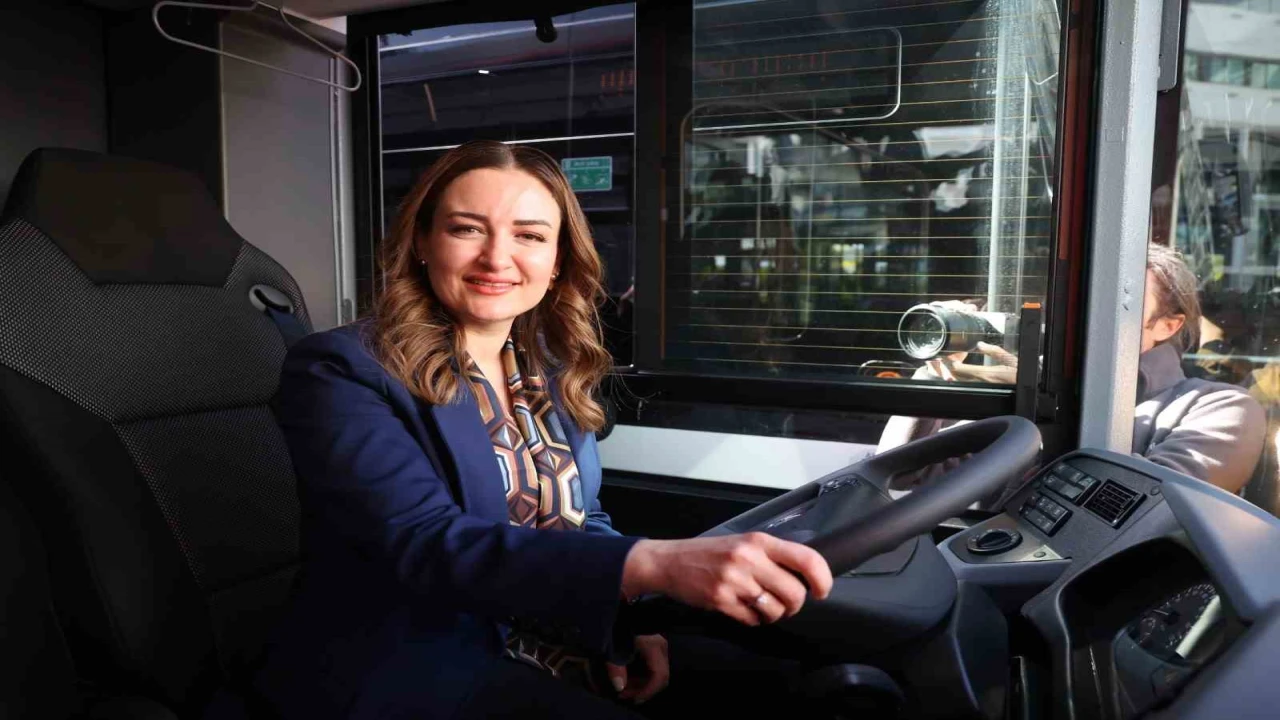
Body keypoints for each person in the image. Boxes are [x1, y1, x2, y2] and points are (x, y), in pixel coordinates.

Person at [252, 141, 833, 720]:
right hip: (414, 669)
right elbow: (424, 542)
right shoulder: (340, 369)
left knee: (792, 687)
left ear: (557, 262)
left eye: (529, 235)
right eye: (466, 229)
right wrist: (651, 564)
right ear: (422, 243)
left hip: (548, 635)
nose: (496, 258)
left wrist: (625, 616)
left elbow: (581, 517)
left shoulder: (548, 369)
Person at [879, 244, 1266, 495]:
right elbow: (902, 474)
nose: (1086, 315)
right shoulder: (1033, 387)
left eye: (1115, 303)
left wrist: (1055, 410)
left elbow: (1147, 504)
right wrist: (937, 374)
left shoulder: (1218, 407)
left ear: (1167, 325)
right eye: (1077, 300)